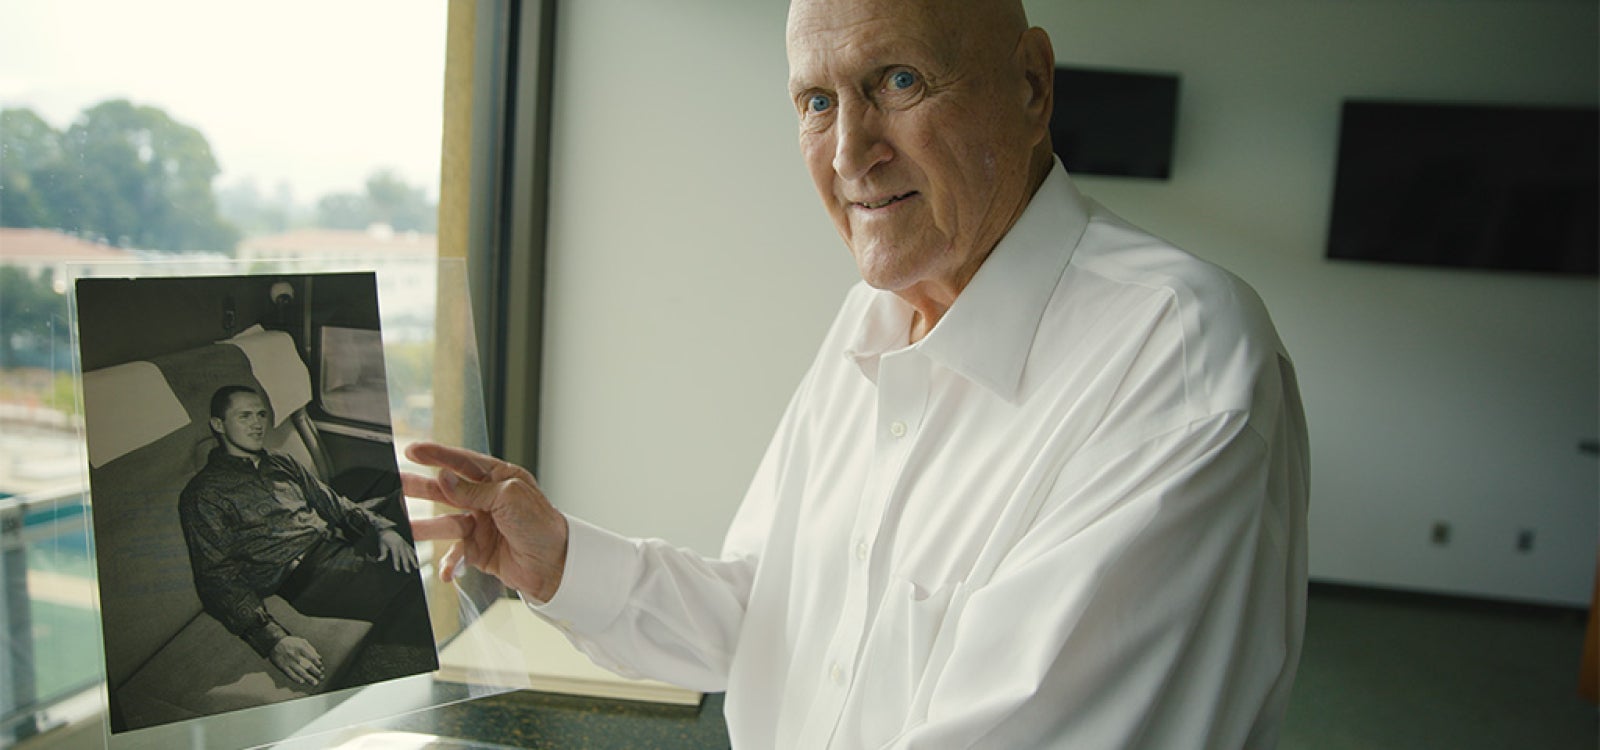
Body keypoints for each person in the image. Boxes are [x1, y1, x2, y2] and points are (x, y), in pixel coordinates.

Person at [405, 0, 1309, 747]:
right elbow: (769, 617)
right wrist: (559, 559)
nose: (849, 154)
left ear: (1031, 85)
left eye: (898, 82)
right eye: (816, 102)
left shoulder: (1176, 354)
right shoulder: (871, 319)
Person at [179, 385, 424, 688]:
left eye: (261, 414)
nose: (258, 424)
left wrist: (382, 528)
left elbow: (333, 503)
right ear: (218, 425)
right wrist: (273, 640)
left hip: (335, 544)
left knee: (417, 500)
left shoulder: (281, 462)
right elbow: (216, 578)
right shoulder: (204, 494)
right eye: (244, 416)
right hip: (305, 577)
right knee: (417, 584)